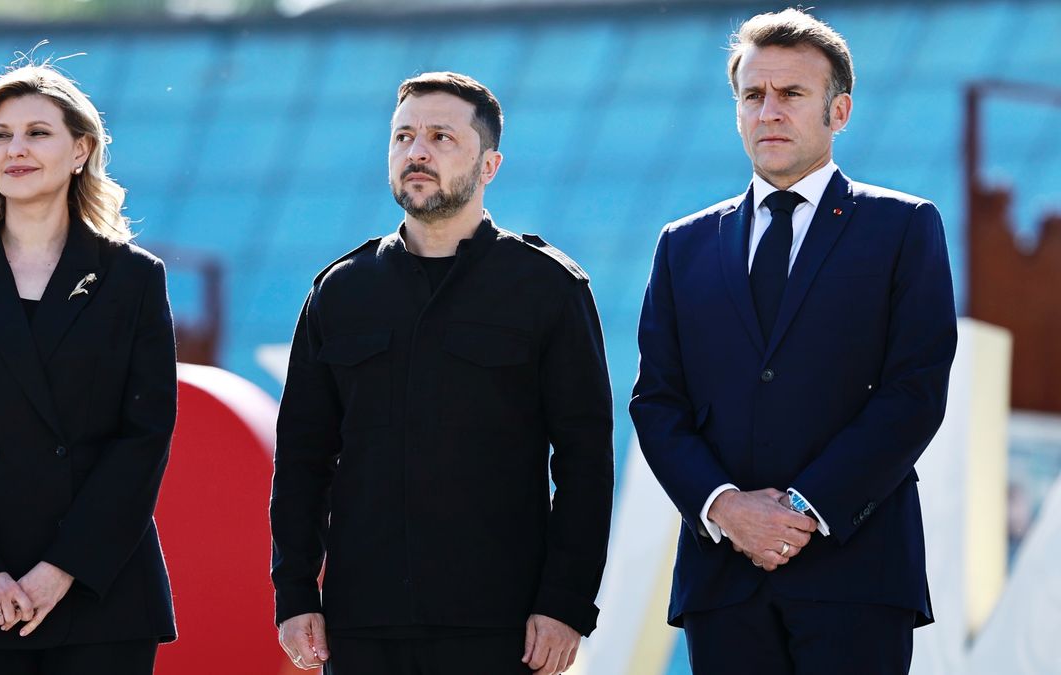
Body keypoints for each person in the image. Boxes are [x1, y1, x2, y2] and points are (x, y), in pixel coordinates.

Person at [629, 8, 957, 674]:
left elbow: (914, 392)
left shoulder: (903, 227)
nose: (768, 110)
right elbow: (657, 403)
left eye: (791, 94)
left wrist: (804, 509)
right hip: (724, 580)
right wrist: (726, 507)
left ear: (839, 112)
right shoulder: (681, 245)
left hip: (857, 572)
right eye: (753, 95)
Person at [269, 71, 614, 675]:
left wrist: (564, 604)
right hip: (361, 622)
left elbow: (585, 462)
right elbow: (302, 456)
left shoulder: (547, 288)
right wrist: (295, 593)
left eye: (440, 137)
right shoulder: (340, 291)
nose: (417, 152)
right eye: (403, 137)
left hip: (499, 624)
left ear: (489, 166)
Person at [0, 63, 177, 674]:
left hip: (100, 588)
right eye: (0, 134)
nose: (15, 149)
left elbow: (144, 436)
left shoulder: (134, 278)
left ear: (81, 150)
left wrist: (63, 569)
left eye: (37, 133)